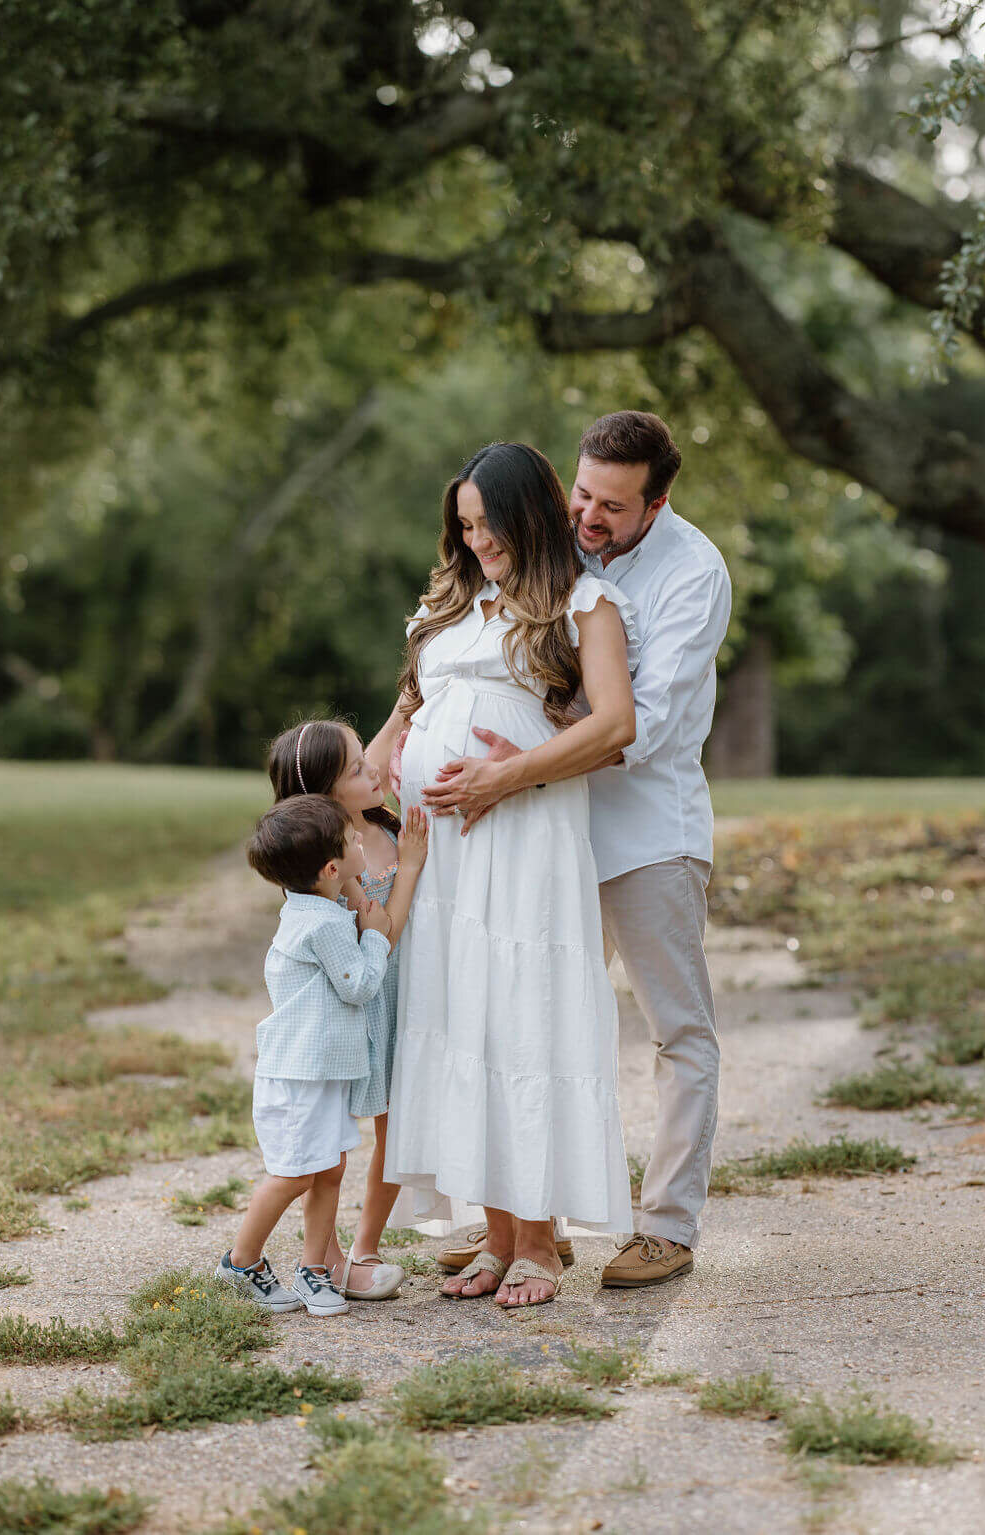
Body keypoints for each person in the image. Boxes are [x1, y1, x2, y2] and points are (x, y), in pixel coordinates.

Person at [415, 412, 731, 1288]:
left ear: (656, 502)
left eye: (612, 507)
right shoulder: (556, 541)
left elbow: (640, 721)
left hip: (641, 827)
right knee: (523, 1015)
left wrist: (516, 753)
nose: (589, 518)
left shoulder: (693, 573)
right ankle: (525, 1224)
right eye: (581, 494)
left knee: (677, 1029)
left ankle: (666, 1223)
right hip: (539, 833)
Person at [370, 441, 639, 1308]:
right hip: (443, 853)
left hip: (524, 833)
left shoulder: (583, 602)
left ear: (528, 512)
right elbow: (413, 699)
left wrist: (504, 776)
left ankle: (539, 1245)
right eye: (464, 526)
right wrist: (381, 754)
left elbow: (614, 726)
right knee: (461, 1016)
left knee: (524, 1015)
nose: (476, 540)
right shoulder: (452, 602)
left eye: (487, 523)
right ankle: (490, 1235)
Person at [214, 792, 427, 1315]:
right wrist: (375, 936)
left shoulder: (309, 906)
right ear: (333, 868)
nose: (361, 839)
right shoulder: (328, 923)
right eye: (352, 840)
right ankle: (240, 1263)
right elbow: (358, 986)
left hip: (323, 1072)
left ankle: (314, 1270)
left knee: (330, 1169)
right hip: (300, 1078)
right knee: (293, 1175)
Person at [267, 718, 419, 1300]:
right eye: (356, 769)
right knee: (329, 1140)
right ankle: (326, 1259)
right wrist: (409, 867)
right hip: (361, 1005)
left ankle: (363, 1247)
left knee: (394, 1128)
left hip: (404, 996)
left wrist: (403, 708)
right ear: (329, 798)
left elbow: (369, 758)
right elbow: (383, 934)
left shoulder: (377, 819)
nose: (374, 769)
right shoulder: (332, 867)